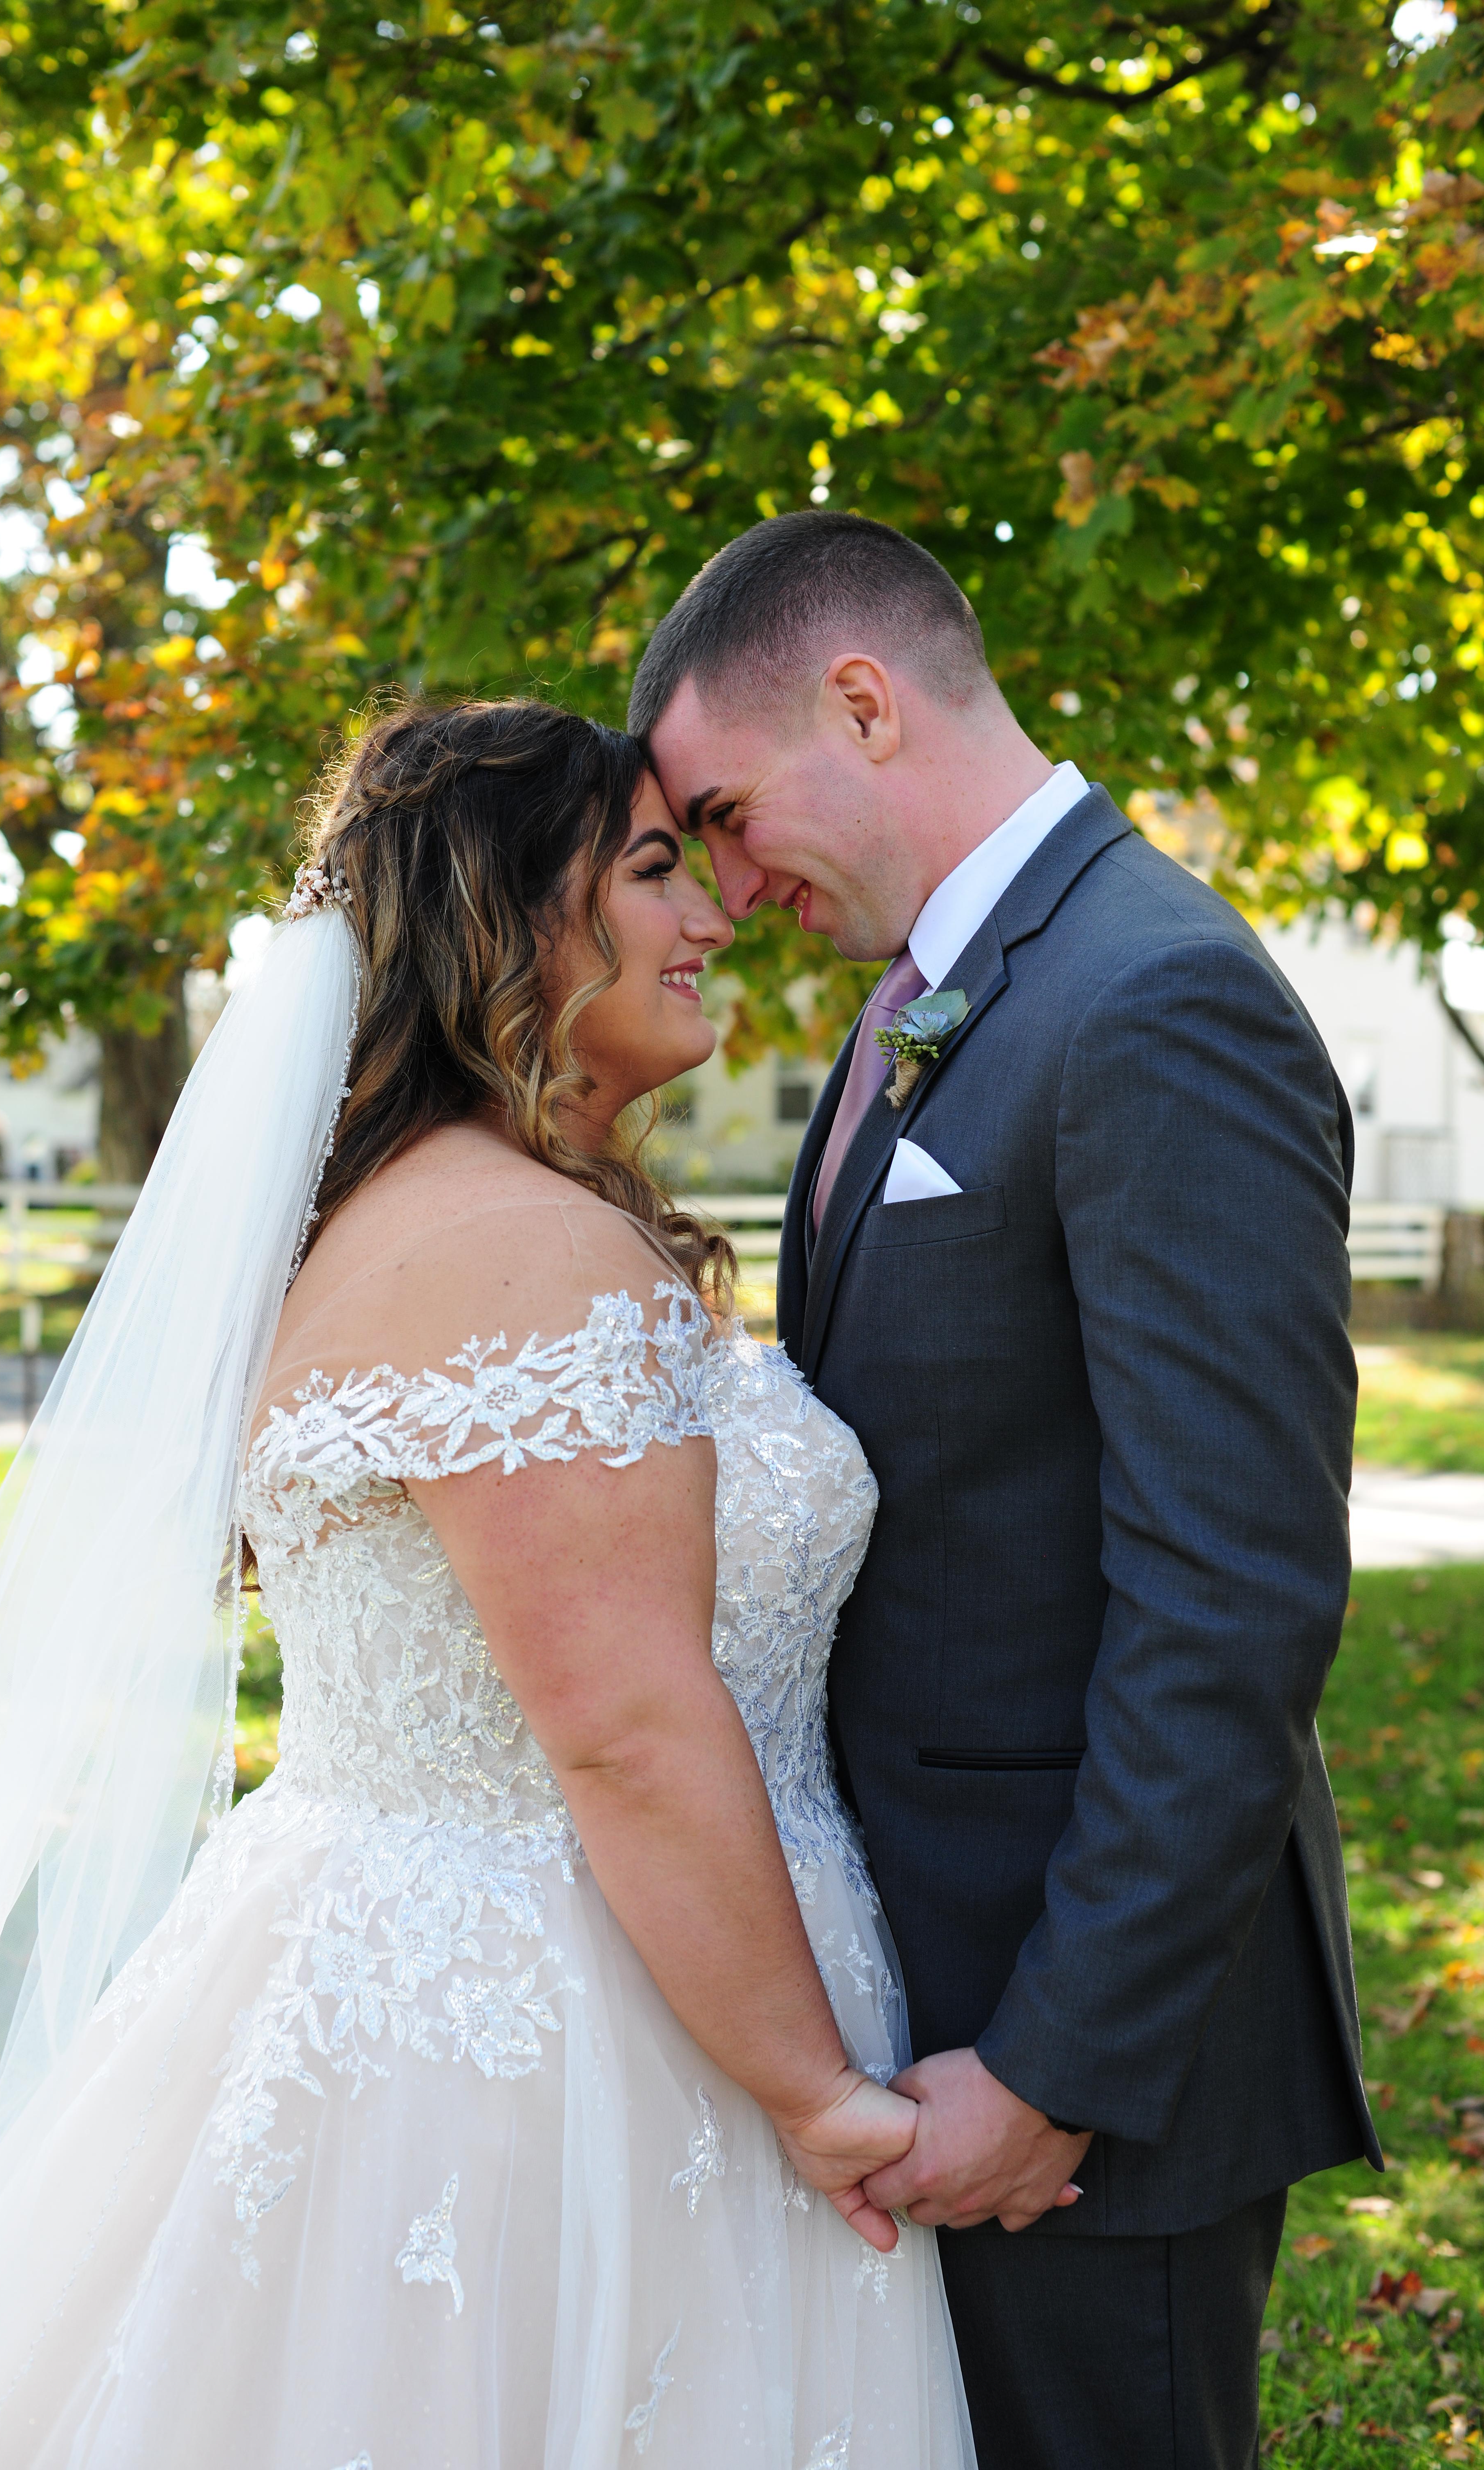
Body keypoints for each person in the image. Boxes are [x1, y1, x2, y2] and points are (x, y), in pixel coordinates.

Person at [0, 699, 979, 2469]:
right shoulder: (524, 1252)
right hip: (567, 2032)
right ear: (514, 921)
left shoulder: (425, 1209)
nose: (714, 916)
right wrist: (815, 2095)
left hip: (454, 1960)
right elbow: (620, 1728)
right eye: (658, 871)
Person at [633, 511, 1381, 2470]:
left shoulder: (1153, 998)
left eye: (719, 812)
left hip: (1088, 2050)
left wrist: (1059, 2069)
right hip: (927, 1981)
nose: (719, 880)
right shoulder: (936, 999)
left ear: (862, 704)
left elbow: (1236, 1592)